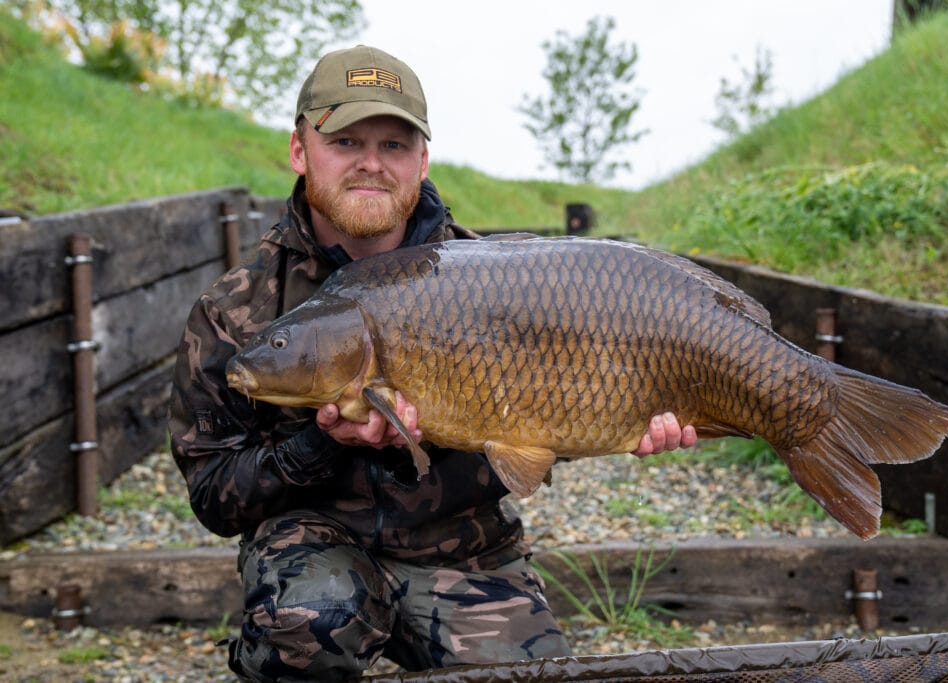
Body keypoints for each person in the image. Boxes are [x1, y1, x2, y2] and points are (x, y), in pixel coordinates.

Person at [168, 45, 697, 681]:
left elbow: (544, 430)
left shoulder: (495, 281)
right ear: (300, 151)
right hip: (311, 547)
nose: (371, 163)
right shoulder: (236, 309)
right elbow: (213, 497)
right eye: (345, 141)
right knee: (311, 626)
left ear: (421, 161)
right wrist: (319, 444)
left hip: (465, 549)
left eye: (393, 145)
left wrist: (633, 415)